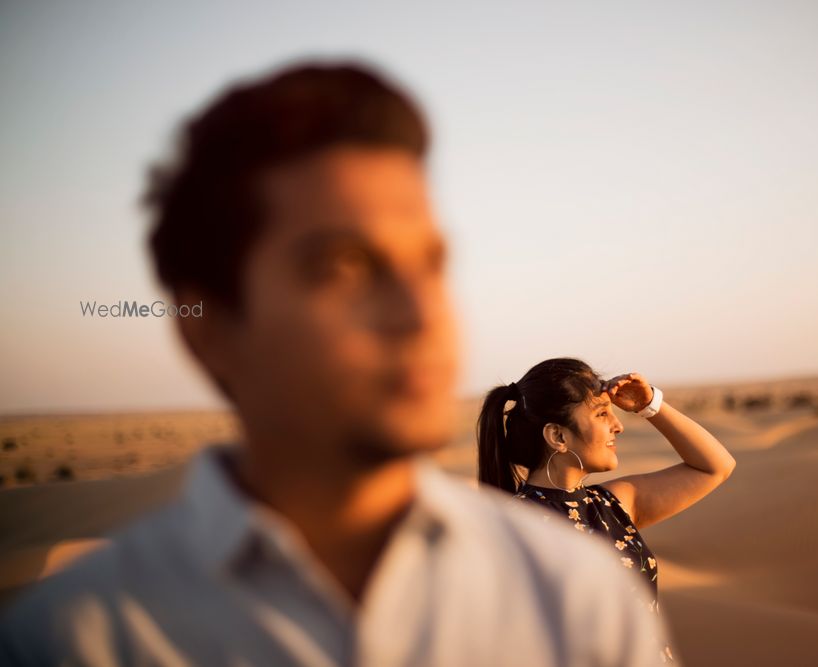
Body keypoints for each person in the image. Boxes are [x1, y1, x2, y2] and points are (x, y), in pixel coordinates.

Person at [0, 63, 667, 666]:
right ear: (209, 326)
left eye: (430, 265)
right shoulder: (75, 640)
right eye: (344, 268)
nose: (420, 312)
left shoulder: (571, 594)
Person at [477, 358, 737, 661]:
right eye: (602, 414)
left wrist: (650, 404)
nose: (618, 425)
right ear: (558, 437)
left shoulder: (613, 504)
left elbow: (716, 467)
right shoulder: (513, 528)